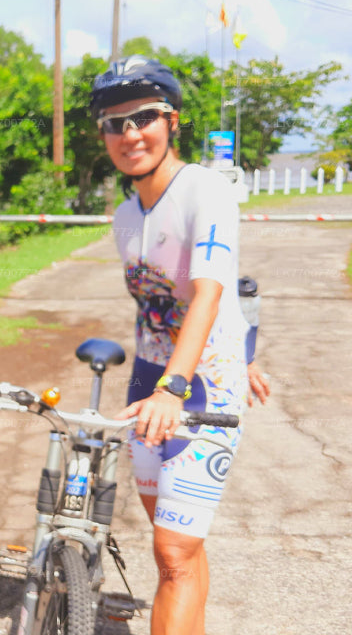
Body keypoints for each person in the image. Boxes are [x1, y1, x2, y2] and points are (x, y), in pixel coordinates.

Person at [95, 55, 269, 634]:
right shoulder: (124, 214)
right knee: (175, 549)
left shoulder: (206, 191)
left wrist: (198, 376)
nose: (128, 134)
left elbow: (211, 294)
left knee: (173, 551)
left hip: (199, 386)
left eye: (142, 117)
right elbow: (156, 309)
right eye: (113, 123)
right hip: (147, 383)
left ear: (172, 121)